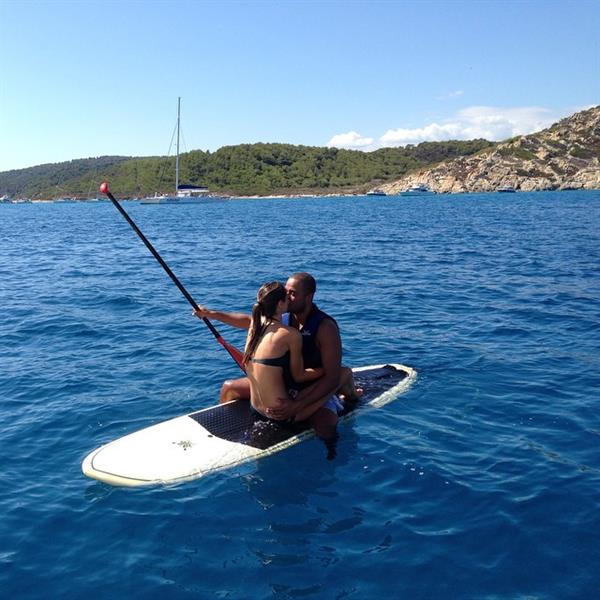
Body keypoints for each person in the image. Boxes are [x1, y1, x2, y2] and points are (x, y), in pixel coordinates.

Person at [193, 272, 361, 441]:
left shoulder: (325, 327)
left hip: (312, 386)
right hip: (286, 385)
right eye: (286, 291)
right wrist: (211, 314)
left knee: (324, 426)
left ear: (309, 297)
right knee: (229, 387)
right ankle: (226, 432)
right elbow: (248, 321)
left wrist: (296, 406)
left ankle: (350, 395)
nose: (287, 296)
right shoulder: (283, 318)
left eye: (293, 293)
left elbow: (331, 378)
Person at [241, 281, 323, 421]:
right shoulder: (290, 334)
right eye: (286, 298)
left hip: (255, 410)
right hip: (281, 414)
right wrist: (323, 370)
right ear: (279, 304)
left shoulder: (254, 327)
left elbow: (243, 319)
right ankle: (351, 396)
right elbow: (299, 376)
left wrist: (210, 314)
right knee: (342, 374)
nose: (290, 301)